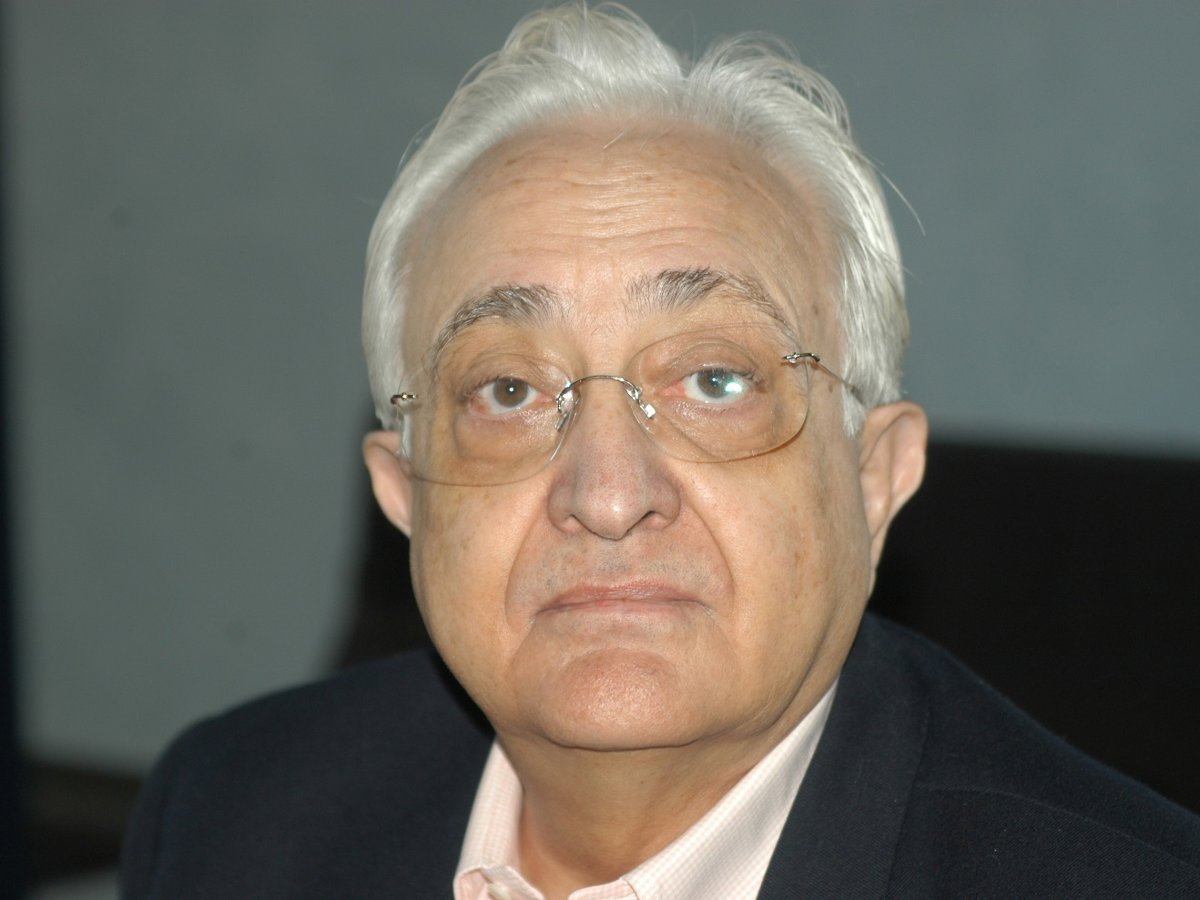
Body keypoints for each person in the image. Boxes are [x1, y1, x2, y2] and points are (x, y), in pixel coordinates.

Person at [121, 5, 1200, 897]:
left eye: (715, 381)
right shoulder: (229, 816)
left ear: (874, 481)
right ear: (404, 494)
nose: (606, 494)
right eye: (508, 390)